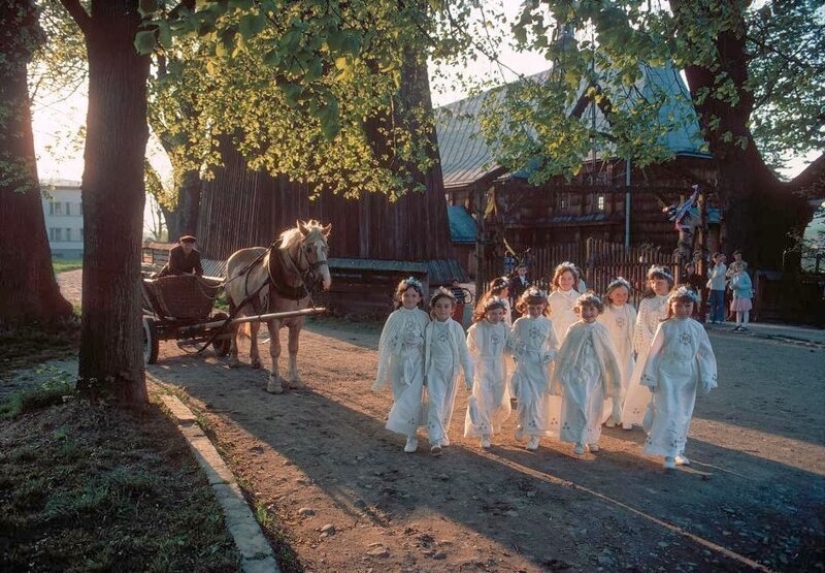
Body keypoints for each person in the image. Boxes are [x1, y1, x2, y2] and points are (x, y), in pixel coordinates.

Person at [641, 286, 717, 469]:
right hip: (667, 372)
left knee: (683, 412)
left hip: (688, 374)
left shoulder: (697, 328)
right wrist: (650, 376)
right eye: (679, 305)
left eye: (688, 305)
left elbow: (705, 353)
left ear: (693, 306)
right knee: (668, 410)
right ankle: (668, 452)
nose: (684, 309)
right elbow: (654, 352)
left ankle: (677, 449)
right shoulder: (665, 326)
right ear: (671, 306)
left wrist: (708, 376)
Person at [551, 293, 622, 455]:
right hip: (576, 373)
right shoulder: (574, 328)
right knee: (580, 404)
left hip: (595, 373)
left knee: (594, 406)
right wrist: (562, 372)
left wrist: (612, 375)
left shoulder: (602, 330)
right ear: (578, 310)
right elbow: (565, 350)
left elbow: (610, 354)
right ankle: (579, 439)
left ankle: (592, 438)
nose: (588, 313)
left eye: (592, 309)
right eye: (584, 309)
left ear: (598, 310)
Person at [372, 277, 431, 453]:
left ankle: (411, 436)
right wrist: (400, 340)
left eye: (414, 296)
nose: (410, 299)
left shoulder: (424, 317)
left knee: (412, 399)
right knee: (401, 397)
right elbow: (386, 341)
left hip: (417, 364)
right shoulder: (394, 317)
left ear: (419, 298)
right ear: (400, 297)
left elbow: (429, 342)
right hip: (399, 363)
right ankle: (407, 427)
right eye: (406, 295)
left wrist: (419, 341)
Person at [621, 265, 674, 430]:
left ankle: (658, 419)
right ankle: (631, 416)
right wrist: (653, 343)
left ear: (669, 282)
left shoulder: (674, 300)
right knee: (642, 381)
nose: (656, 285)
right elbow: (641, 323)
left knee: (662, 385)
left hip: (667, 348)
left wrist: (666, 344)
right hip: (649, 348)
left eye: (660, 282)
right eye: (653, 282)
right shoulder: (646, 302)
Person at [424, 288, 474, 456]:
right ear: (433, 309)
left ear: (452, 309)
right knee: (436, 403)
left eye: (446, 306)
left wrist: (468, 374)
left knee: (447, 404)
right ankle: (435, 439)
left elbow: (463, 352)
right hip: (435, 371)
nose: (443, 310)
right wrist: (424, 373)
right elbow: (425, 352)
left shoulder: (456, 328)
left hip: (452, 372)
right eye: (439, 306)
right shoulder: (430, 328)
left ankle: (443, 432)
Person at [509, 288, 560, 451]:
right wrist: (517, 351)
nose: (536, 311)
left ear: (544, 306)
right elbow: (511, 341)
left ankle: (535, 435)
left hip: (540, 366)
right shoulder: (520, 323)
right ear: (525, 306)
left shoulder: (548, 324)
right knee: (524, 398)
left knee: (537, 400)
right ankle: (522, 423)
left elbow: (555, 344)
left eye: (539, 308)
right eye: (532, 308)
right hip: (524, 364)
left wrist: (550, 354)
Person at [464, 296, 512, 449]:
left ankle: (494, 420)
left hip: (499, 366)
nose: (496, 317)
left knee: (497, 399)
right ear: (485, 313)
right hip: (483, 366)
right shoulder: (477, 329)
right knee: (483, 399)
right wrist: (470, 368)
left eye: (499, 313)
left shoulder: (505, 328)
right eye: (493, 313)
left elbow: (511, 346)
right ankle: (485, 433)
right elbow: (469, 349)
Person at [597, 277, 637, 427]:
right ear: (610, 295)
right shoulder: (605, 310)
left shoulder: (630, 310)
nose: (621, 298)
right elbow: (600, 331)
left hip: (625, 350)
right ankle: (608, 413)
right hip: (610, 349)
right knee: (611, 381)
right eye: (618, 294)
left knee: (626, 381)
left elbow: (633, 329)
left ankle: (622, 414)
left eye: (625, 295)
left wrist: (633, 347)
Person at [548, 262, 581, 344]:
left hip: (573, 334)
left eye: (569, 279)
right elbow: (548, 317)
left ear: (574, 280)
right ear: (557, 280)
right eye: (562, 279)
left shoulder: (578, 298)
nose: (566, 281)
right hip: (557, 332)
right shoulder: (552, 298)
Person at [728, 263, 754, 331]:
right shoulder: (734, 275)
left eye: (741, 267)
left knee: (745, 310)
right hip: (736, 295)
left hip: (744, 295)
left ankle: (745, 325)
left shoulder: (745, 275)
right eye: (737, 267)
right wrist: (732, 287)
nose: (739, 269)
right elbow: (731, 285)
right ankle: (738, 324)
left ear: (743, 268)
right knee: (738, 310)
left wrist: (740, 286)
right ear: (735, 268)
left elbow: (749, 284)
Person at [706, 252, 727, 324]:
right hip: (713, 287)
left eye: (718, 257)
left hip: (720, 287)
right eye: (715, 258)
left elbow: (718, 274)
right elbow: (709, 276)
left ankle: (719, 319)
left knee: (720, 304)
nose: (717, 259)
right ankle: (712, 318)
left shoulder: (723, 266)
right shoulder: (713, 266)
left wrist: (713, 272)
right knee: (713, 303)